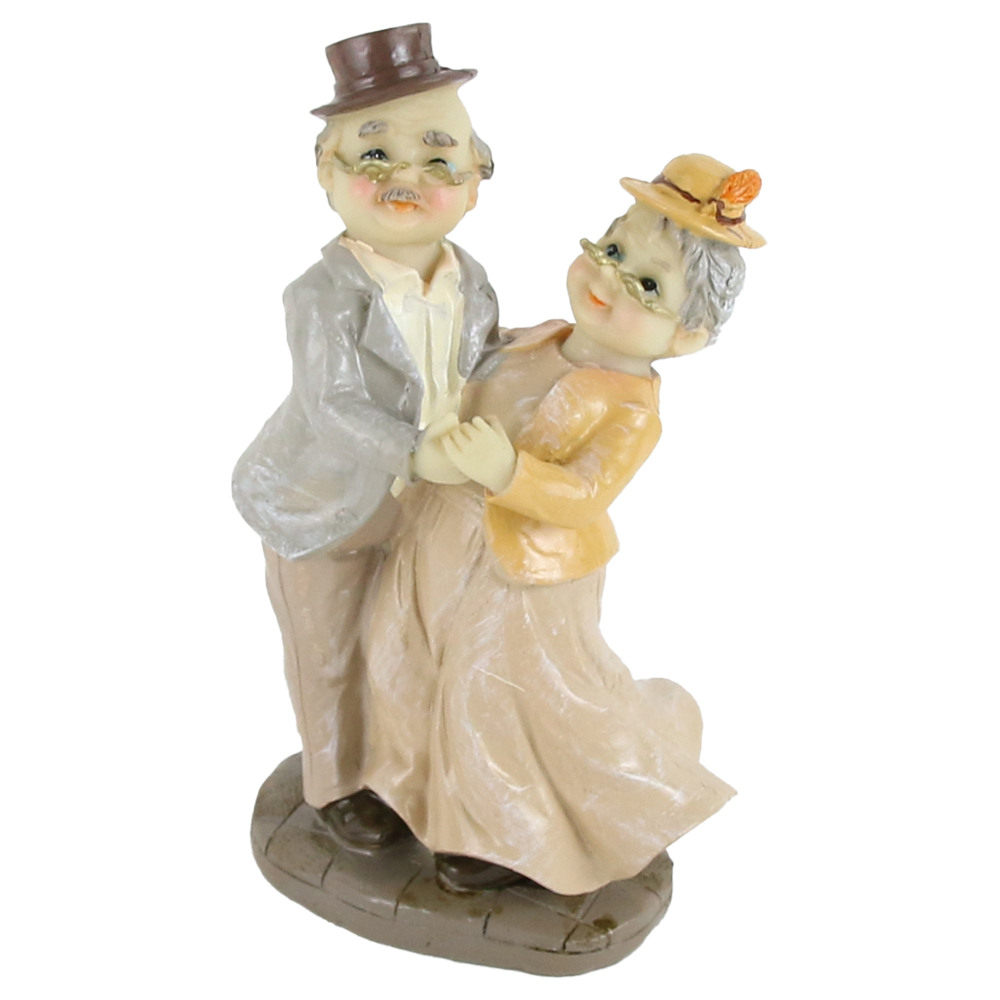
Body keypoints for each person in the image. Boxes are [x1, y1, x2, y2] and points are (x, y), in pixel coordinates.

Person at [358, 154, 765, 894]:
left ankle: (496, 833)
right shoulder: (537, 336)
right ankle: (402, 785)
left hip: (524, 575)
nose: (611, 277)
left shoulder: (630, 410)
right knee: (400, 648)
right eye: (611, 249)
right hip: (440, 529)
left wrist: (508, 472)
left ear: (688, 337)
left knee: (491, 692)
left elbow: (582, 495)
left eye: (648, 285)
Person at [232, 24, 499, 848]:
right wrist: (417, 453)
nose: (405, 176)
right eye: (374, 155)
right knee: (331, 651)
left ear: (479, 174)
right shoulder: (321, 295)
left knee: (408, 648)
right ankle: (336, 784)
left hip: (428, 508)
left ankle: (403, 771)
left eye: (437, 155)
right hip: (325, 505)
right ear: (327, 171)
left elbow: (485, 365)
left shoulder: (473, 280)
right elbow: (332, 403)